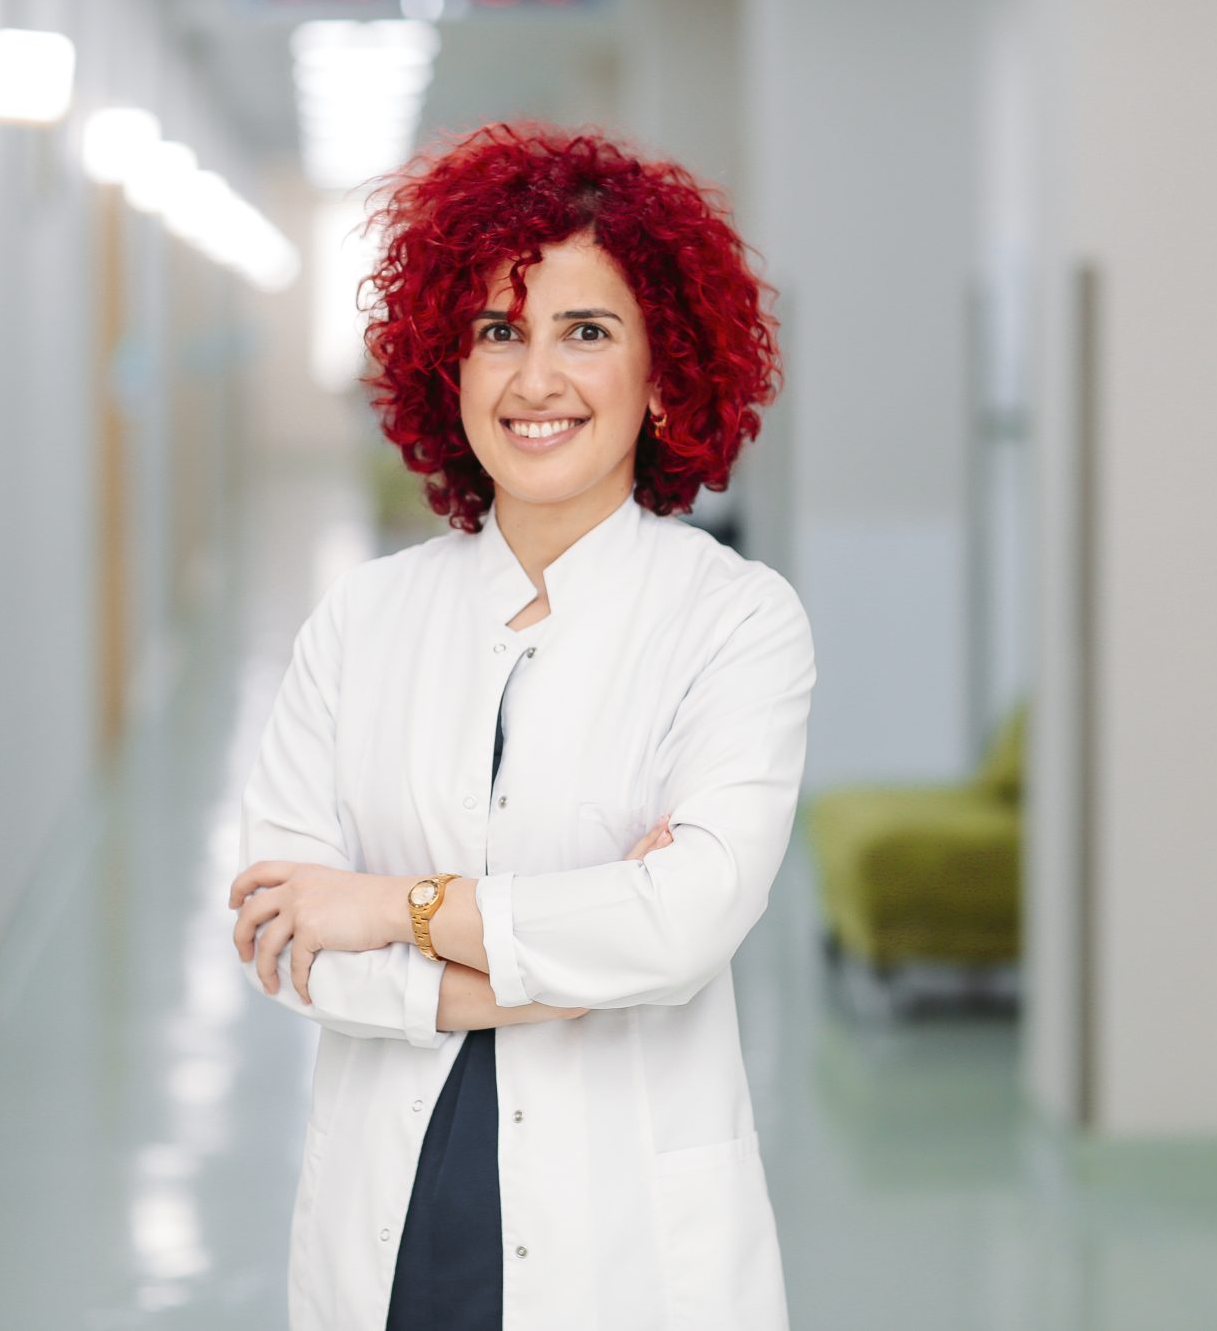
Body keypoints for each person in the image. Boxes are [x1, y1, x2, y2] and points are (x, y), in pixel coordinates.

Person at [229, 122, 814, 1331]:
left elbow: (687, 920)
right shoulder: (361, 619)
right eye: (497, 332)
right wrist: (570, 964)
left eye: (584, 332)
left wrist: (391, 907)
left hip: (628, 1260)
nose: (534, 379)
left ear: (664, 375)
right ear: (446, 369)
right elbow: (281, 932)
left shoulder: (733, 620)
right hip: (394, 1245)